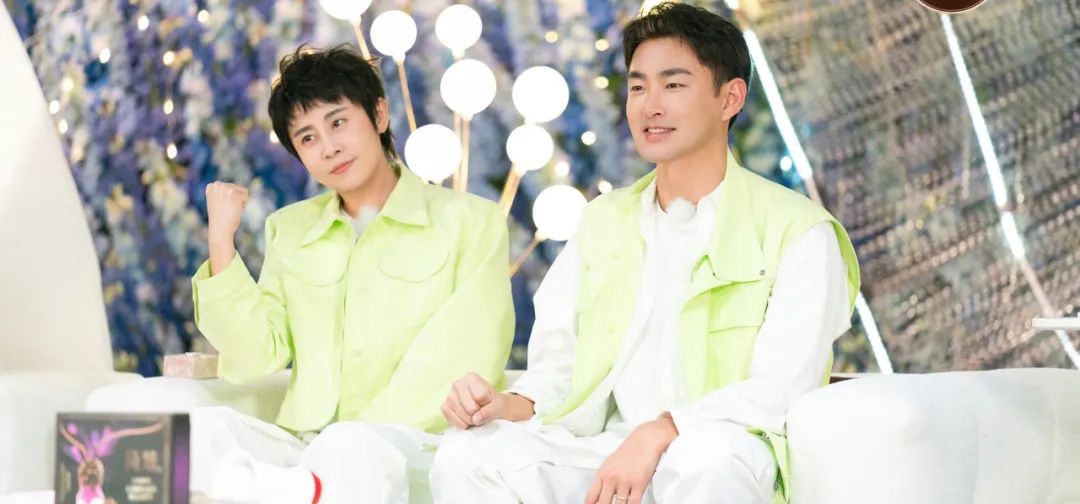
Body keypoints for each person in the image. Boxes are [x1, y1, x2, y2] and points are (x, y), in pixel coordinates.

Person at [429, 3, 860, 503]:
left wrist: (664, 430)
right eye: (638, 87)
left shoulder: (799, 231)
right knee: (469, 452)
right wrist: (505, 404)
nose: (650, 105)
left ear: (730, 98)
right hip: (606, 452)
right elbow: (559, 373)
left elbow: (782, 388)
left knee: (708, 457)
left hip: (722, 450)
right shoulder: (604, 220)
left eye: (673, 85)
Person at [190, 45, 513, 504]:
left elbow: (463, 352)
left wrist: (346, 443)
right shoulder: (290, 230)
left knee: (350, 449)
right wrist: (221, 239)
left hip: (415, 445)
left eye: (338, 122)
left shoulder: (471, 222)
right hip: (306, 446)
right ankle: (302, 489)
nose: (329, 147)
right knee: (203, 431)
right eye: (307, 138)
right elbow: (255, 355)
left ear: (379, 115)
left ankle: (292, 490)